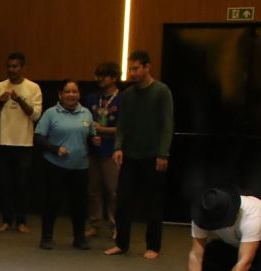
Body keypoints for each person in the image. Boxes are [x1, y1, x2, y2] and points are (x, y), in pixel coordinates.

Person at [105, 50, 173, 259]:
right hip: (130, 155)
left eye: (135, 68)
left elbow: (167, 124)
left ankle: (153, 246)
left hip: (153, 155)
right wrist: (118, 147)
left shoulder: (161, 91)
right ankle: (121, 243)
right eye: (130, 69)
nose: (132, 73)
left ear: (147, 67)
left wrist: (163, 154)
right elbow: (122, 124)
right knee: (123, 201)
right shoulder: (128, 95)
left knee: (153, 203)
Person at [32, 80, 96, 250]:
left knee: (79, 205)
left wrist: (94, 140)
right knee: (51, 202)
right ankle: (46, 238)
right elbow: (38, 137)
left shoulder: (86, 113)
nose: (71, 95)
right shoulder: (51, 113)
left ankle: (79, 238)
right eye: (67, 91)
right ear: (60, 94)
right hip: (55, 165)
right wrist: (55, 149)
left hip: (80, 166)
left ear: (79, 94)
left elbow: (90, 136)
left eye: (74, 91)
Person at [0, 52, 42, 233]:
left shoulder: (33, 87)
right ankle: (6, 220)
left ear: (23, 67)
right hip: (3, 142)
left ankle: (21, 221)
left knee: (22, 184)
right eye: (9, 66)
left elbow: (36, 115)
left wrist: (20, 100)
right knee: (4, 184)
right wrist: (1, 102)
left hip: (24, 143)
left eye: (15, 66)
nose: (11, 69)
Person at [85, 62, 121, 238]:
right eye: (98, 75)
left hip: (112, 150)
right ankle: (95, 224)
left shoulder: (123, 99)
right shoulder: (92, 98)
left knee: (113, 191)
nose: (99, 79)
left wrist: (102, 130)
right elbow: (85, 122)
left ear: (114, 78)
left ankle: (116, 226)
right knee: (93, 190)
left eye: (103, 75)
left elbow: (125, 128)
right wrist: (92, 133)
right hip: (93, 149)